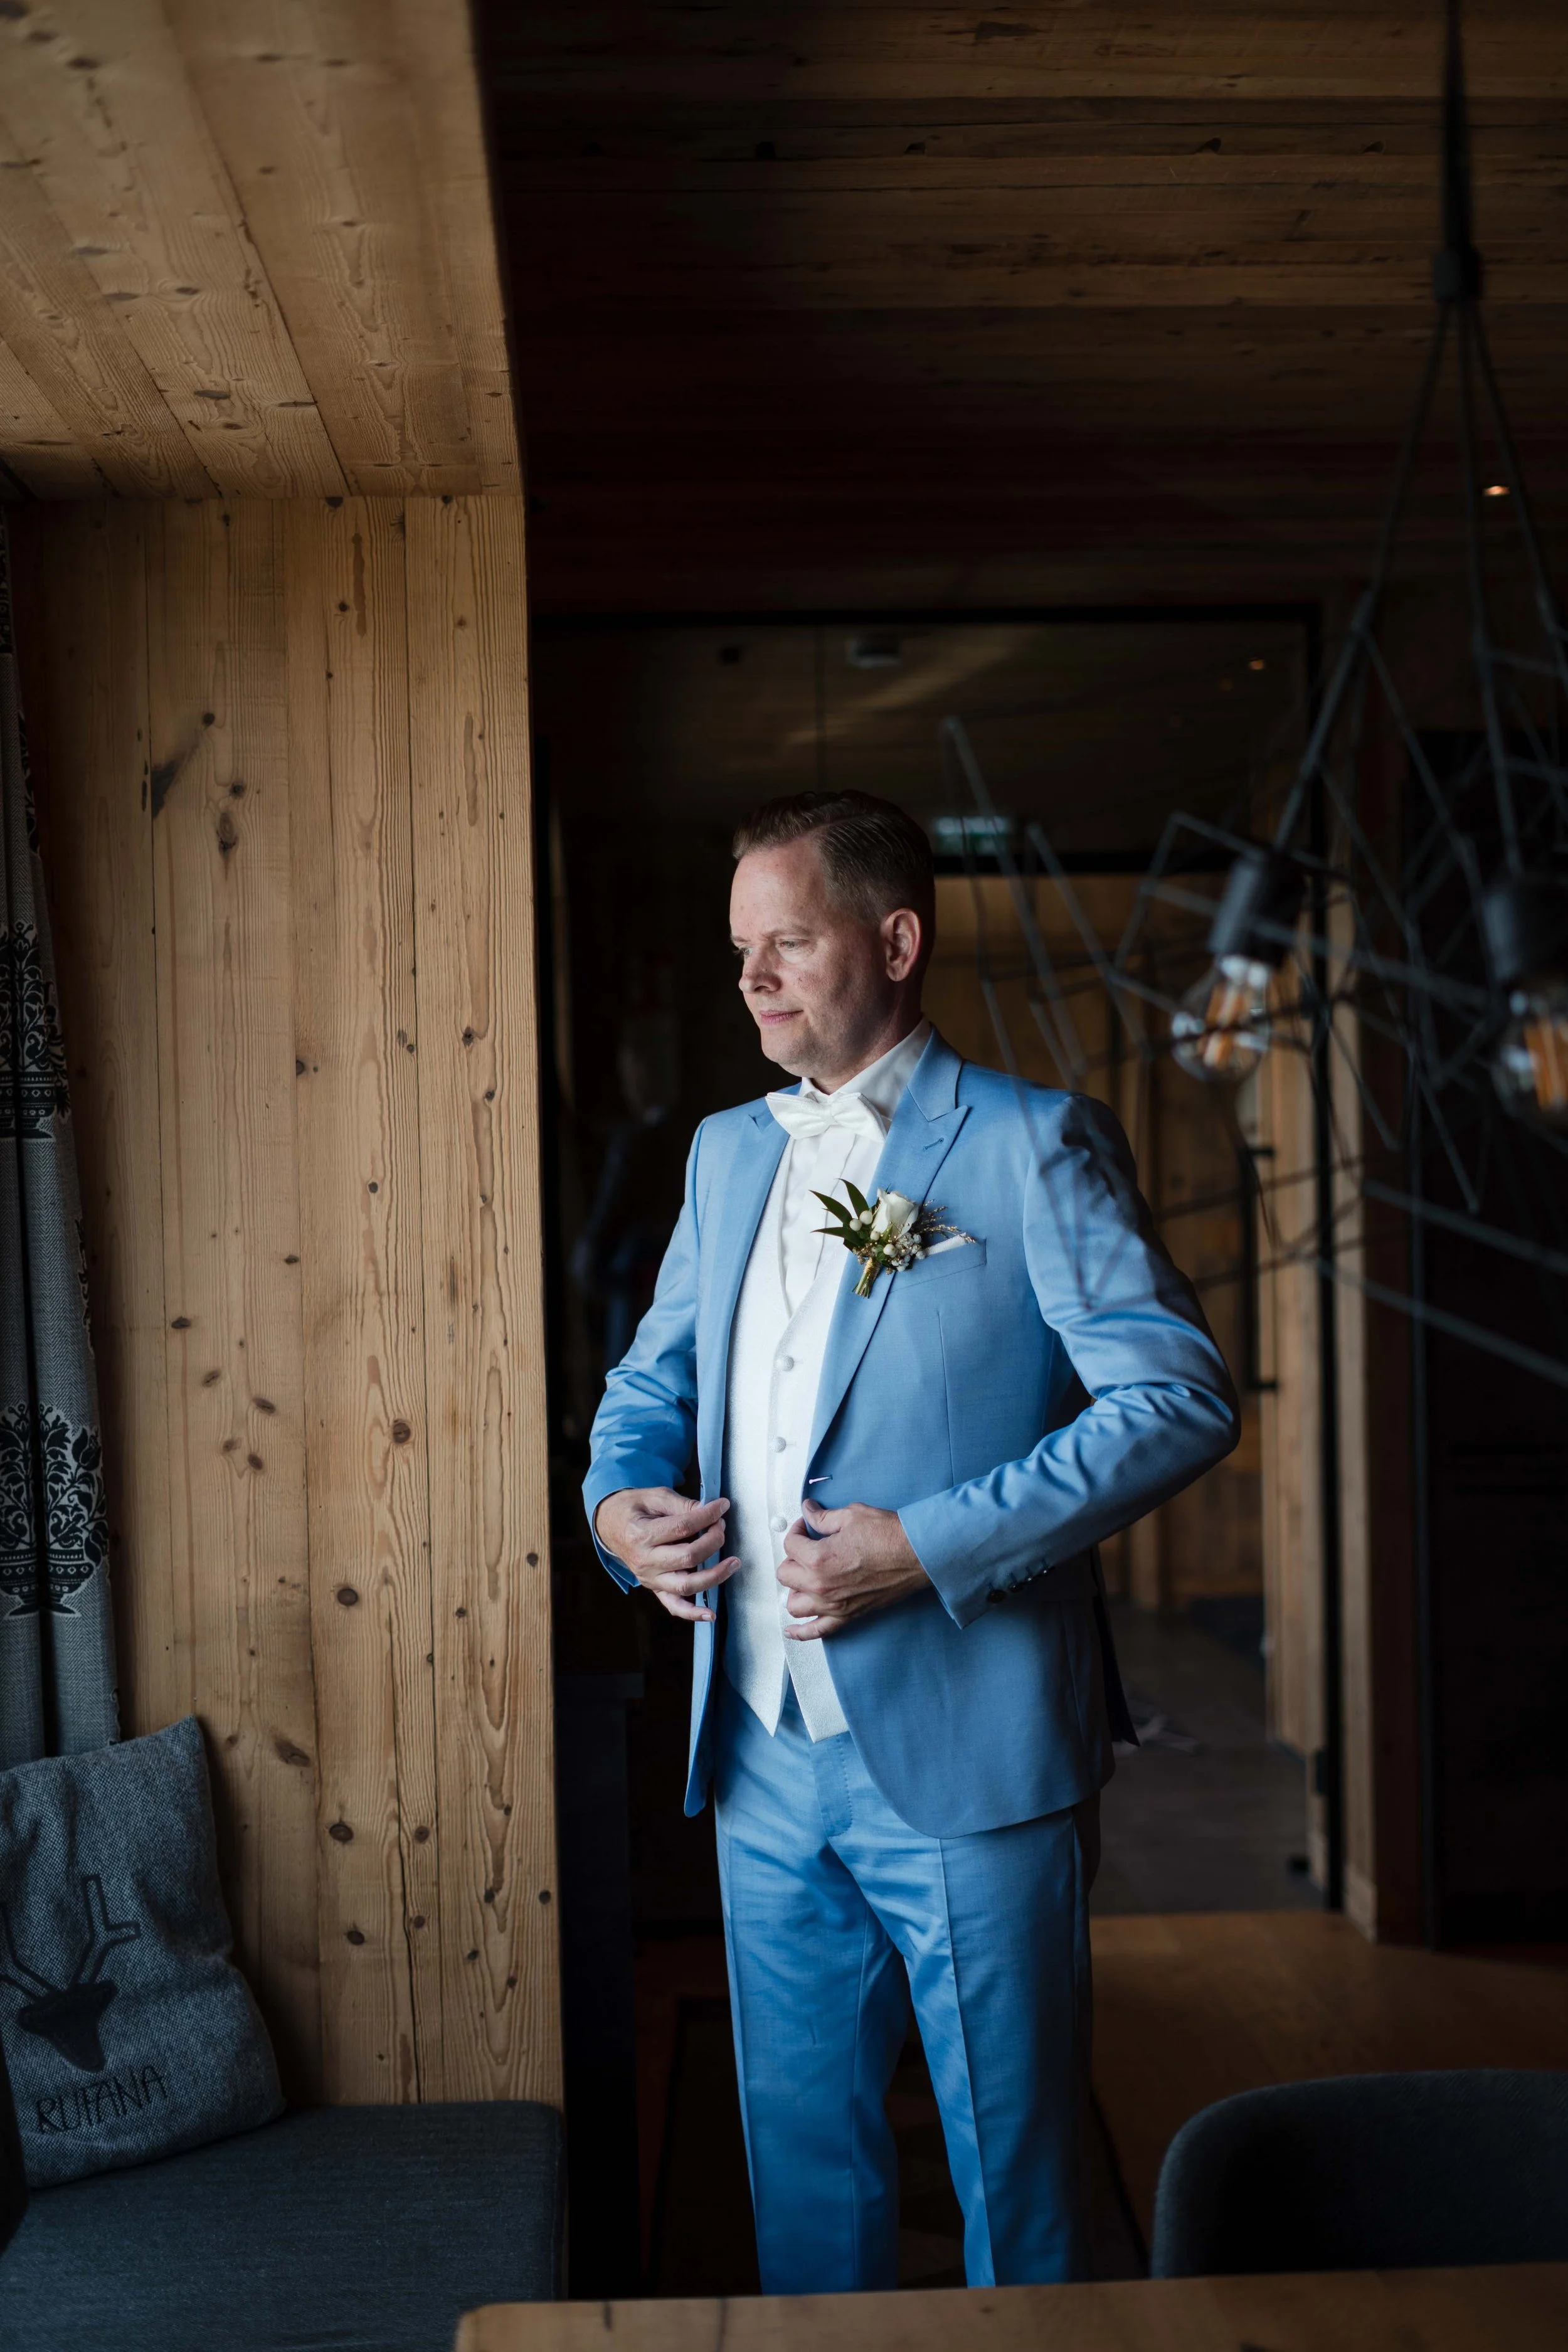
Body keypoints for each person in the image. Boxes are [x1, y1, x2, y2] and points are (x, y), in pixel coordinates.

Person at [585, 790, 1237, 2291]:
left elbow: (1177, 1398)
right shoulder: (721, 1156)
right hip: (753, 1755)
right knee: (800, 2188)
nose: (748, 979)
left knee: (1021, 2185)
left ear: (892, 942)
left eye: (785, 943)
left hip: (974, 1752)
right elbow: (646, 1390)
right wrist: (617, 1513)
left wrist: (926, 1547)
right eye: (737, 949)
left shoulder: (1027, 1144)